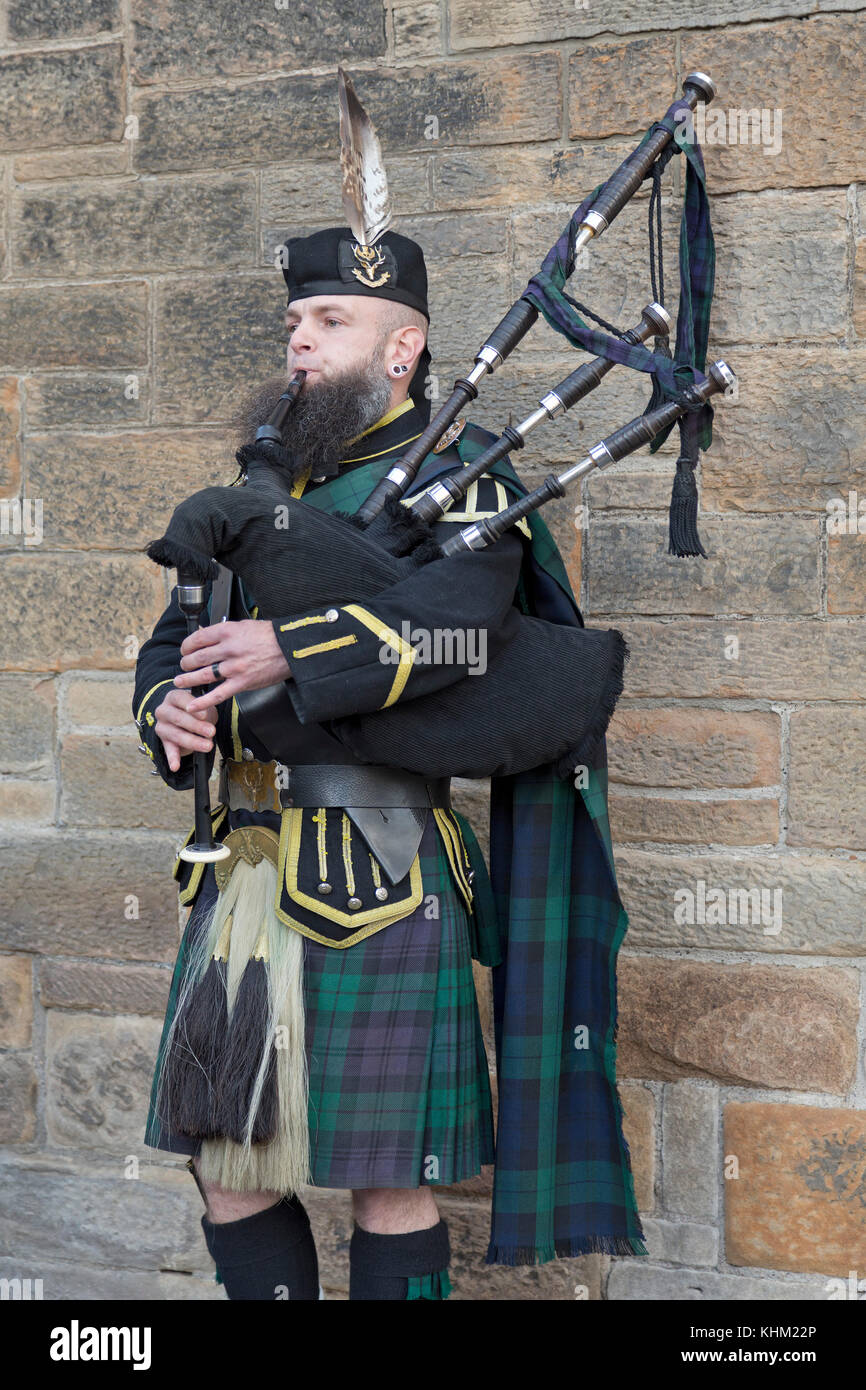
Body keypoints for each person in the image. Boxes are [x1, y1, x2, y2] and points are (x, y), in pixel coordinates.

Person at [135, 227, 531, 1300]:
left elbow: (464, 639)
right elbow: (175, 636)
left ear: (400, 349)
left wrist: (292, 647)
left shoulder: (467, 484)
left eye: (329, 322)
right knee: (227, 1166)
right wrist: (167, 707)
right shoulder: (264, 485)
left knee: (384, 1180)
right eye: (295, 323)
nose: (298, 343)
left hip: (382, 868)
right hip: (243, 863)